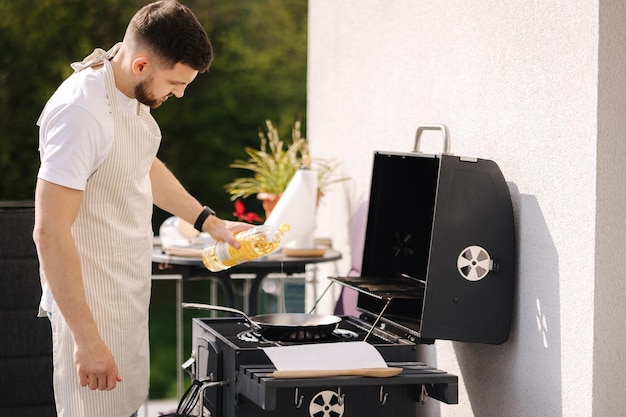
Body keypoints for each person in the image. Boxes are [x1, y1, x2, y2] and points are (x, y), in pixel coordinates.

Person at [32, 1, 250, 416]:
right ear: (141, 64)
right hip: (91, 309)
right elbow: (49, 231)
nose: (180, 93)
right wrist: (87, 340)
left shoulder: (130, 94)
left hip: (127, 295)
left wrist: (209, 222)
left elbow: (143, 166)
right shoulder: (81, 112)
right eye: (174, 82)